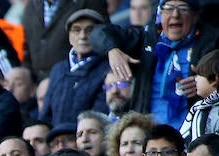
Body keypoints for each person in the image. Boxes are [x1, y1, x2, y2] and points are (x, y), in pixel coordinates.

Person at [91, 0, 219, 126]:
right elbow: (98, 32)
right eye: (168, 8)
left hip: (192, 134)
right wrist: (112, 49)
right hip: (149, 134)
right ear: (160, 13)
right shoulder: (147, 38)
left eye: (183, 8)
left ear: (195, 16)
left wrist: (206, 83)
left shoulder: (211, 43)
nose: (175, 14)